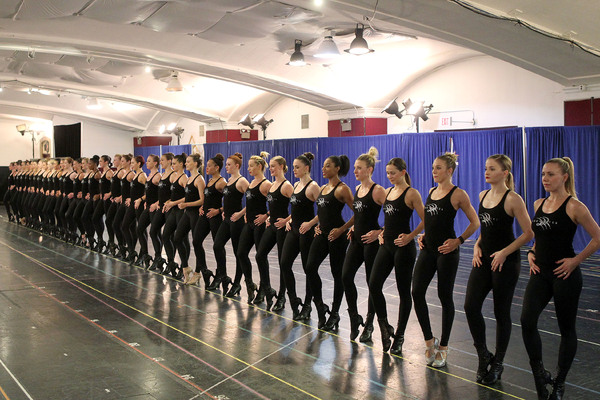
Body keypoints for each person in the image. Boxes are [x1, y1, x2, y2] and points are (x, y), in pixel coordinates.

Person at [521, 157, 600, 400]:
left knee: (566, 330)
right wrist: (532, 252)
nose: (545, 178)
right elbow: (540, 238)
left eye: (551, 174)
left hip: (564, 275)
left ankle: (559, 382)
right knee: (526, 321)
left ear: (564, 177)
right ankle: (539, 374)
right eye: (543, 174)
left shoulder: (575, 206)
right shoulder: (538, 203)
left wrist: (576, 261)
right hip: (540, 273)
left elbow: (597, 237)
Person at [465, 154, 533, 383]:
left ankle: (498, 363)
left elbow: (528, 233)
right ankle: (483, 355)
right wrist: (476, 244)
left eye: (492, 169)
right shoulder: (482, 195)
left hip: (506, 262)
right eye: (486, 168)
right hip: (484, 259)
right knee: (470, 306)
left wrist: (505, 252)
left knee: (500, 313)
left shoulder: (513, 199)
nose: (486, 172)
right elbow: (485, 228)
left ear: (504, 173)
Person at [412, 152, 480, 368]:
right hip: (428, 249)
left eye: (438, 168)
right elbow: (430, 220)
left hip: (446, 252)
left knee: (444, 296)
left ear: (449, 171)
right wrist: (423, 236)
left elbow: (475, 222)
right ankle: (429, 341)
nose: (434, 171)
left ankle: (444, 347)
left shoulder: (458, 194)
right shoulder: (432, 191)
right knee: (416, 292)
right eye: (433, 167)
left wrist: (458, 241)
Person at [368, 157, 424, 353]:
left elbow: (426, 220)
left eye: (393, 172)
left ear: (402, 172)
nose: (390, 176)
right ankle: (384, 326)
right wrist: (382, 231)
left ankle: (399, 335)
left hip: (403, 248)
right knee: (374, 284)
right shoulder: (389, 191)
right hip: (386, 245)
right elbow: (389, 219)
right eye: (387, 173)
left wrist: (410, 236)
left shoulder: (412, 193)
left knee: (403, 291)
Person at [342, 147, 386, 341]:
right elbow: (358, 214)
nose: (355, 171)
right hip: (357, 240)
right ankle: (354, 317)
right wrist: (352, 226)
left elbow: (396, 213)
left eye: (359, 168)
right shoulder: (358, 189)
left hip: (371, 243)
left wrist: (380, 232)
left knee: (372, 284)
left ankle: (369, 324)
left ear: (369, 169)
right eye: (354, 168)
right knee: (345, 276)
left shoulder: (378, 191)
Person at [306, 155, 354, 330]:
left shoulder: (343, 189)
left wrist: (342, 230)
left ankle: (334, 313)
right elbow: (322, 212)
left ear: (337, 169)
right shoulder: (324, 187)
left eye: (327, 166)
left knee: (337, 274)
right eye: (323, 166)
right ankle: (319, 305)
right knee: (310, 267)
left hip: (337, 237)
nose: (323, 168)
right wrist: (317, 225)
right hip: (322, 234)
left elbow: (359, 212)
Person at [279, 153, 320, 319]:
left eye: (297, 167)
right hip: (293, 230)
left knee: (307, 269)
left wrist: (311, 224)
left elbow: (323, 211)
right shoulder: (295, 185)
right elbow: (295, 208)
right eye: (294, 166)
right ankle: (294, 300)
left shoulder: (313, 186)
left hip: (306, 232)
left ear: (306, 168)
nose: (294, 169)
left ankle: (308, 305)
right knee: (284, 263)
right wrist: (289, 220)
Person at [255, 156, 293, 310]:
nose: (270, 169)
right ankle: (267, 288)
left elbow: (298, 206)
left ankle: (282, 296)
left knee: (282, 263)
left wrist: (287, 220)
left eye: (273, 166)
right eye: (269, 166)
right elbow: (273, 206)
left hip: (282, 228)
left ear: (281, 167)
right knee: (260, 255)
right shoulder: (272, 185)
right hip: (272, 226)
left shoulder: (287, 186)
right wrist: (268, 216)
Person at [235, 152, 272, 303]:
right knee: (241, 253)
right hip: (248, 223)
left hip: (259, 225)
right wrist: (244, 213)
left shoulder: (266, 184)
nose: (248, 168)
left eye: (251, 166)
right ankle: (250, 283)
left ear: (260, 166)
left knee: (260, 257)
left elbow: (276, 203)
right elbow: (250, 204)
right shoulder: (251, 183)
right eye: (248, 166)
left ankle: (264, 287)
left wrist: (266, 216)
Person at [209, 153, 248, 293]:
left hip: (236, 221)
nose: (226, 167)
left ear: (237, 166)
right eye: (226, 164)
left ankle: (237, 283)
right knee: (217, 245)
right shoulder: (229, 180)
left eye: (229, 164)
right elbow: (227, 200)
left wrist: (241, 213)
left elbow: (253, 201)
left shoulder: (242, 181)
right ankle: (223, 275)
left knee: (238, 253)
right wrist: (223, 210)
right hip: (226, 220)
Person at [188, 154, 226, 286]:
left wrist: (219, 210)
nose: (207, 168)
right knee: (196, 241)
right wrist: (202, 207)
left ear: (217, 167)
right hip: (204, 216)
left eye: (210, 166)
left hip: (215, 217)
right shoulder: (209, 181)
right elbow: (207, 198)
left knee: (218, 247)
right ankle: (204, 270)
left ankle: (221, 274)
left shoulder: (222, 182)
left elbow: (230, 202)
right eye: (207, 165)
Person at [174, 154, 205, 283]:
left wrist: (187, 204)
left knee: (196, 243)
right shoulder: (189, 179)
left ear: (196, 164)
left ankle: (198, 271)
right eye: (185, 162)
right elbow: (187, 196)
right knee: (177, 238)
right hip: (187, 213)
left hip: (195, 214)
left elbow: (202, 200)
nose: (186, 164)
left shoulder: (199, 179)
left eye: (188, 162)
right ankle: (185, 266)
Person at [161, 153, 189, 279]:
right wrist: (169, 202)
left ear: (181, 164)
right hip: (173, 210)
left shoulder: (184, 178)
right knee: (166, 235)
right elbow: (174, 194)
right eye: (172, 163)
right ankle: (171, 262)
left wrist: (174, 202)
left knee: (182, 238)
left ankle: (184, 266)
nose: (172, 165)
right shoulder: (174, 177)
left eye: (174, 163)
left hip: (181, 210)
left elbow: (187, 197)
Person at [148, 153, 174, 272]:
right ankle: (158, 257)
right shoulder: (163, 175)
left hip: (169, 209)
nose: (161, 162)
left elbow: (175, 192)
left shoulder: (173, 175)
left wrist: (169, 202)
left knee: (168, 236)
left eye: (163, 160)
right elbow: (161, 193)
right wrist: (158, 202)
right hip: (161, 207)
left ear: (169, 161)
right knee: (153, 231)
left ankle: (170, 261)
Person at [135, 154, 160, 269]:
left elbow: (164, 194)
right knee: (139, 229)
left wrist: (156, 204)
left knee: (154, 233)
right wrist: (143, 199)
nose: (147, 163)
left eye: (149, 161)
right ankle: (144, 254)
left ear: (155, 163)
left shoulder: (157, 176)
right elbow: (147, 193)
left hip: (155, 208)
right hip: (148, 206)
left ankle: (158, 257)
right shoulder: (149, 176)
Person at [122, 155, 147, 263]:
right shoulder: (135, 176)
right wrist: (130, 198)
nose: (131, 165)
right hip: (133, 204)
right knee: (124, 226)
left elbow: (149, 192)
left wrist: (140, 199)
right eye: (131, 163)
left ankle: (143, 254)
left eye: (133, 163)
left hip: (139, 205)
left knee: (141, 230)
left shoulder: (142, 176)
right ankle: (132, 251)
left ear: (139, 164)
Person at [103, 154, 122, 255]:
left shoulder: (121, 173)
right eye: (114, 160)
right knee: (109, 221)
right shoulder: (115, 172)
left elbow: (127, 188)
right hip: (113, 200)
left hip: (120, 201)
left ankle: (122, 246)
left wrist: (120, 197)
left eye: (116, 160)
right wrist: (111, 194)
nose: (114, 162)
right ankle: (112, 243)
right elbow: (113, 186)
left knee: (118, 224)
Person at [95, 155, 113, 254]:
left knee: (109, 222)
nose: (100, 162)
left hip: (108, 200)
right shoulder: (103, 172)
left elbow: (115, 185)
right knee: (95, 217)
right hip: (102, 200)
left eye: (101, 161)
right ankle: (100, 239)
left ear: (106, 162)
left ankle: (111, 243)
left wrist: (110, 194)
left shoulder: (109, 173)